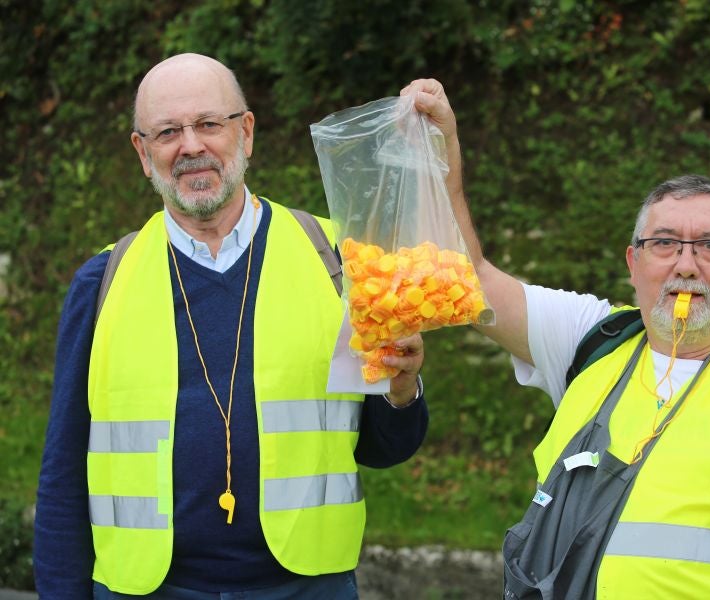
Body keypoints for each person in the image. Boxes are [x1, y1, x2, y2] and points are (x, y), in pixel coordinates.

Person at [401, 79, 710, 598]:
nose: (686, 265)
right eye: (664, 244)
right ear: (633, 262)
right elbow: (469, 278)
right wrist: (443, 150)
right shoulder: (591, 339)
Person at [34, 53, 428, 599]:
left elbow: (384, 449)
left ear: (245, 133)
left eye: (209, 124)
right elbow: (63, 471)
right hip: (145, 591)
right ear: (143, 154)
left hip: (306, 589)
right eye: (168, 131)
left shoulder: (340, 262)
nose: (190, 145)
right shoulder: (102, 282)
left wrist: (402, 388)